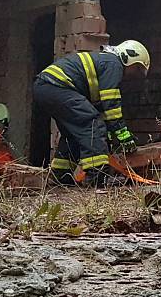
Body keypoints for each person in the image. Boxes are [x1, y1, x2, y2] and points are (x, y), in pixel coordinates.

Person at [32, 40, 149, 187]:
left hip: (45, 89)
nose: (133, 76)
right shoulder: (114, 63)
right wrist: (123, 135)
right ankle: (98, 176)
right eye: (137, 69)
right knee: (92, 123)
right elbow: (111, 105)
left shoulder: (104, 61)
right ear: (129, 57)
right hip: (58, 87)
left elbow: (102, 107)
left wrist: (109, 136)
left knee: (72, 134)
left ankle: (62, 177)